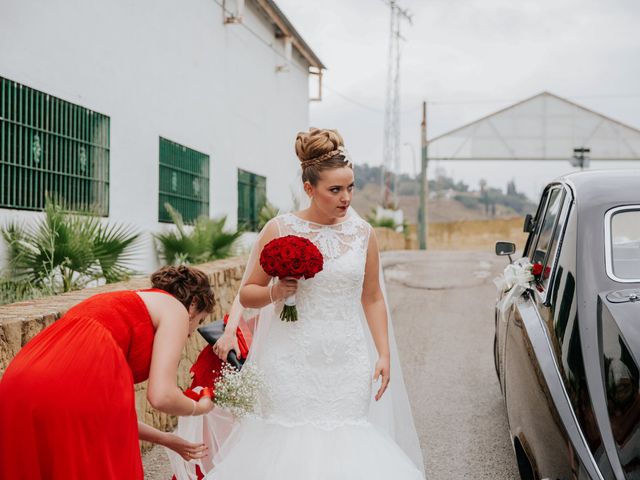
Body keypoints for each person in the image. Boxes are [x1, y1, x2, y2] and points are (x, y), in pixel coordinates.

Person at [204, 128, 426, 479]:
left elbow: (372, 297)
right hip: (290, 360)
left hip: (346, 359)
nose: (345, 198)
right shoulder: (280, 229)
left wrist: (383, 353)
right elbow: (248, 293)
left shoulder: (363, 233)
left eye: (350, 187)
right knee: (287, 445)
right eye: (335, 190)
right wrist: (275, 293)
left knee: (347, 441)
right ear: (309, 189)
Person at [0, 265, 216, 479]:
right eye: (199, 320)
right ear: (193, 304)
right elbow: (162, 396)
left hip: (19, 381)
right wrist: (199, 407)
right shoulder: (176, 309)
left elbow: (101, 411)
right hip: (63, 394)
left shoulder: (121, 303)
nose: (191, 332)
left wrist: (166, 439)